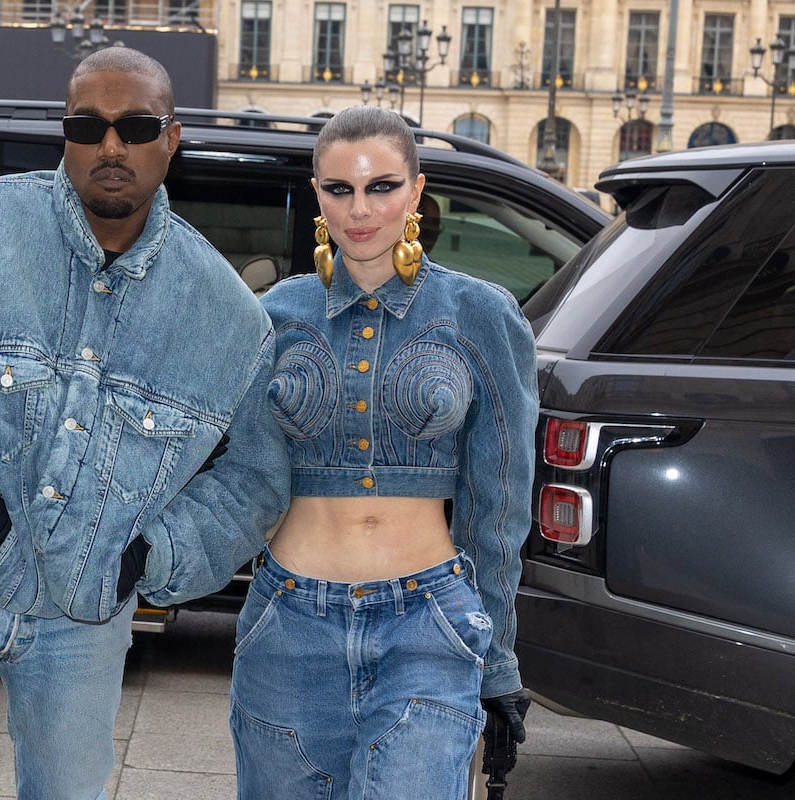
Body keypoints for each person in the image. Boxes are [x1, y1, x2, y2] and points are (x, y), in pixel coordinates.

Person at [0, 47, 289, 799]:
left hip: (89, 612)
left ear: (173, 136)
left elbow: (252, 480)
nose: (110, 147)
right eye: (85, 126)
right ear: (60, 132)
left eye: (136, 126)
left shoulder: (226, 316)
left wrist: (145, 560)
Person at [229, 104, 537, 799]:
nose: (360, 209)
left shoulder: (480, 315)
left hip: (427, 624)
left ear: (418, 191)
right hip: (288, 625)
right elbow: (244, 482)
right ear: (317, 196)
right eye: (339, 189)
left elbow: (499, 508)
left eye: (382, 186)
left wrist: (499, 663)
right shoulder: (275, 316)